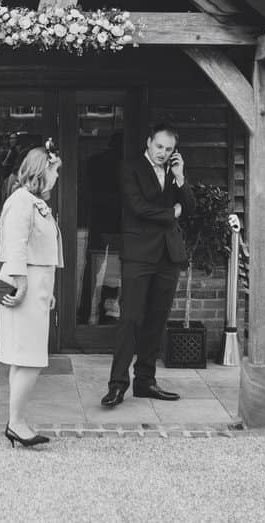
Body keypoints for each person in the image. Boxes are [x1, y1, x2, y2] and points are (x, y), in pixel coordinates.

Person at [101, 123, 195, 408]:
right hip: (139, 255)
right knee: (130, 319)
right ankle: (118, 385)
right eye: (159, 147)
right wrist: (172, 212)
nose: (163, 153)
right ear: (148, 142)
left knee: (156, 321)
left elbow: (190, 209)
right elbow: (137, 207)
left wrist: (180, 178)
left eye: (168, 149)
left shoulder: (173, 172)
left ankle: (145, 381)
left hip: (168, 257)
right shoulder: (130, 167)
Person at [0, 140, 63, 447]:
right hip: (23, 284)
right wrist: (21, 283)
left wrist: (47, 291)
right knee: (30, 358)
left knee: (23, 358)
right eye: (55, 170)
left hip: (35, 285)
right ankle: (16, 422)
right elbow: (16, 243)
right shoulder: (22, 200)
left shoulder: (33, 201)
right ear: (43, 170)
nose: (58, 176)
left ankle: (16, 420)